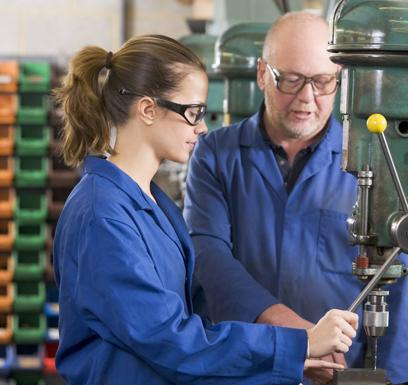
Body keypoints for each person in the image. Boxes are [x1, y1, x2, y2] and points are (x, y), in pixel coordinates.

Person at [52, 34, 359, 385]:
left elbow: (193, 338)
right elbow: (171, 341)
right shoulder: (102, 215)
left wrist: (281, 365)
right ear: (148, 109)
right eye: (192, 112)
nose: (201, 126)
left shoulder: (153, 203)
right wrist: (299, 344)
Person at [184, 12, 408, 385]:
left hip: (337, 374)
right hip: (240, 369)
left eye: (322, 81)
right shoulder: (215, 154)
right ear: (262, 73)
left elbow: (396, 283)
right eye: (290, 80)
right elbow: (208, 257)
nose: (307, 98)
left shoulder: (370, 161)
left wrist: (394, 379)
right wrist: (301, 337)